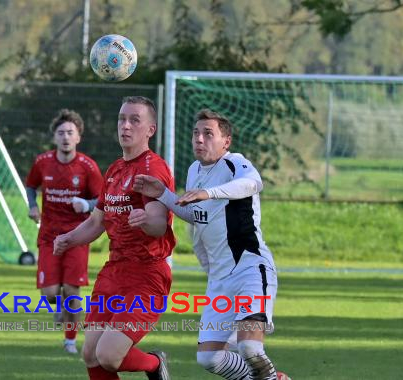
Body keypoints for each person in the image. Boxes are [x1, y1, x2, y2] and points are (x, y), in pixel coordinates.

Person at [133, 109, 291, 380]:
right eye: (196, 133)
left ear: (225, 141)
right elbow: (196, 216)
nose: (199, 139)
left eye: (208, 134)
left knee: (250, 348)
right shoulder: (195, 170)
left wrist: (209, 193)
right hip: (220, 279)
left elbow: (254, 183)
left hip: (251, 269)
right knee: (209, 357)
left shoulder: (235, 163)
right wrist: (164, 194)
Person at [54, 96, 174, 380]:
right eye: (122, 119)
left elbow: (159, 223)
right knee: (91, 356)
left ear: (150, 130)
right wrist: (68, 238)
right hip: (114, 271)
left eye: (135, 120)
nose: (126, 125)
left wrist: (147, 220)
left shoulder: (153, 168)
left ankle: (155, 365)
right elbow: (97, 221)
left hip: (147, 275)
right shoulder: (115, 170)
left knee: (108, 355)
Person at [25, 109, 103, 355]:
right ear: (54, 138)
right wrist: (32, 205)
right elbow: (30, 186)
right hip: (49, 236)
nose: (66, 137)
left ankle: (70, 340)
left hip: (78, 236)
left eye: (71, 132)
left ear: (79, 137)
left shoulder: (88, 167)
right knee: (49, 294)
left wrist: (87, 205)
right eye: (61, 133)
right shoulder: (42, 162)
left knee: (72, 291)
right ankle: (57, 307)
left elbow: (102, 199)